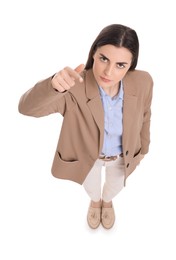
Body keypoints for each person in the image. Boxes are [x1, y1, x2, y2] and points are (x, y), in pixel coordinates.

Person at [18, 24, 153, 229]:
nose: (109, 71)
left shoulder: (143, 81)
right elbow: (27, 108)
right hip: (88, 159)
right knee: (91, 187)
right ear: (93, 53)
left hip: (121, 157)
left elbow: (145, 114)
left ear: (131, 64)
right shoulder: (75, 86)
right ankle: (95, 202)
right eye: (103, 59)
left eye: (120, 65)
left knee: (115, 187)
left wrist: (144, 148)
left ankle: (107, 202)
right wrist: (53, 86)